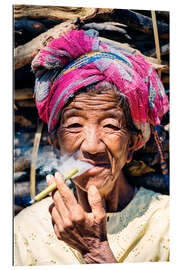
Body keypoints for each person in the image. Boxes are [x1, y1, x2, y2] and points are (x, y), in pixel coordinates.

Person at [14, 29, 169, 265]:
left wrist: (94, 250)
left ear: (133, 144)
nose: (92, 146)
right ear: (55, 143)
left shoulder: (168, 224)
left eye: (110, 126)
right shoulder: (24, 231)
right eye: (75, 125)